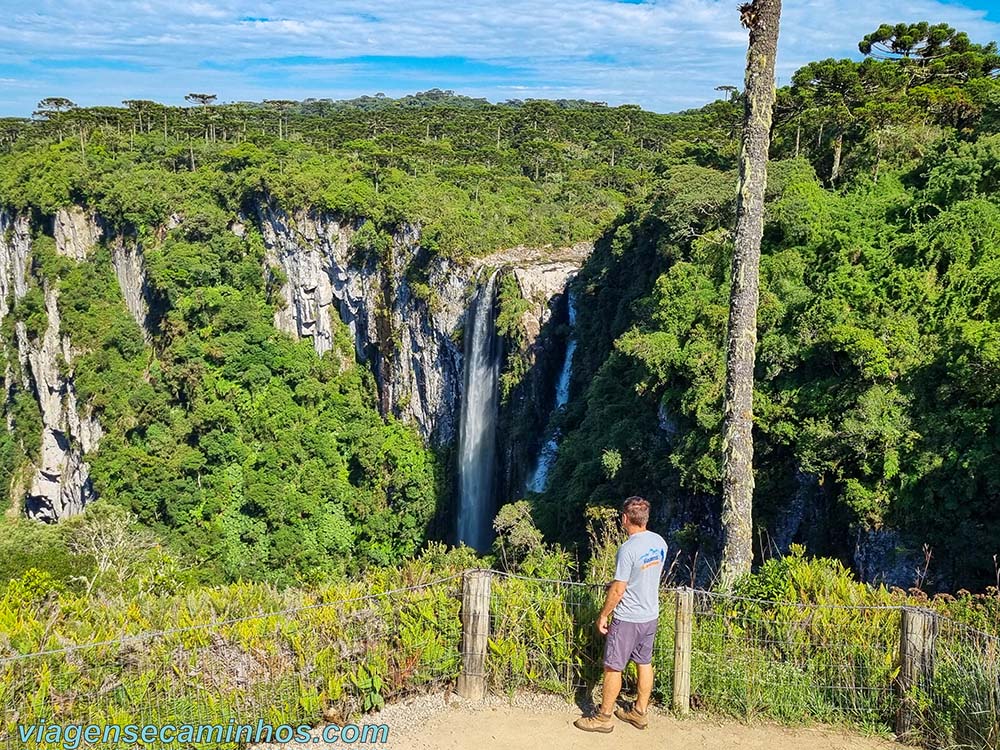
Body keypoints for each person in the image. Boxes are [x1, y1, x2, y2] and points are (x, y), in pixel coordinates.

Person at [574, 496, 667, 733]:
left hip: (628, 617)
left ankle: (603, 718)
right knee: (644, 662)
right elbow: (645, 575)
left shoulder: (627, 549)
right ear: (645, 518)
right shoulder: (660, 543)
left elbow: (618, 590)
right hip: (650, 614)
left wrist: (603, 614)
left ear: (625, 518)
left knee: (613, 666)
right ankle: (639, 712)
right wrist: (619, 582)